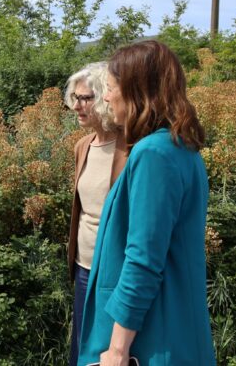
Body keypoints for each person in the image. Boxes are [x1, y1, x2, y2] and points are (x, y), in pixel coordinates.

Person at [78, 40, 215, 365]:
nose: (106, 97)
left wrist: (117, 349)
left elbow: (143, 260)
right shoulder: (181, 147)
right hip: (174, 324)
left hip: (152, 339)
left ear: (137, 92)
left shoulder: (153, 154)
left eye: (111, 88)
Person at [64, 62, 128, 366]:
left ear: (105, 96)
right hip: (83, 268)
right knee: (82, 350)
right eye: (74, 98)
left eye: (85, 98)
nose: (77, 105)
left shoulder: (132, 147)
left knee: (110, 352)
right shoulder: (82, 146)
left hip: (116, 271)